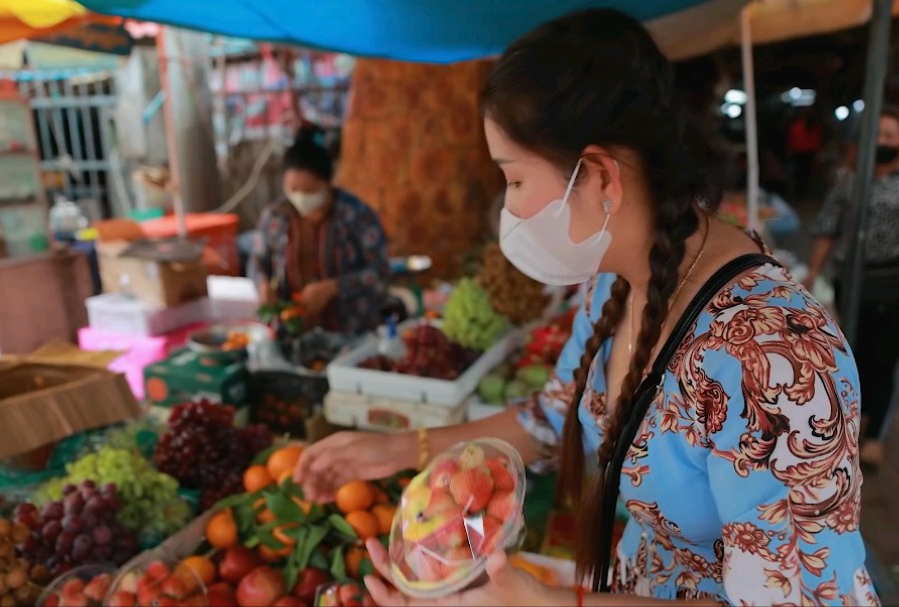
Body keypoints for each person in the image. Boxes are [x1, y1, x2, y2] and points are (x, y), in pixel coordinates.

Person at [295, 9, 877, 606]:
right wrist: (401, 449)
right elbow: (555, 420)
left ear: (600, 175)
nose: (509, 210)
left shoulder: (774, 359)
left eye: (515, 181)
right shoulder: (614, 282)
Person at [804, 107, 899, 468]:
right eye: (878, 135)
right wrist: (813, 270)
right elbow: (828, 226)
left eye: (890, 135)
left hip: (892, 282)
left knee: (885, 356)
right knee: (851, 352)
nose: (883, 142)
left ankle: (875, 437)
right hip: (853, 280)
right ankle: (851, 422)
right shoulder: (849, 181)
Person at [251, 126, 390, 336]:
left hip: (349, 333)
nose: (301, 198)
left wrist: (334, 287)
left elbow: (381, 270)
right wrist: (262, 284)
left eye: (310, 191)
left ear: (328, 183)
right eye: (293, 190)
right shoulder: (275, 217)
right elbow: (257, 262)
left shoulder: (356, 215)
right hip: (290, 331)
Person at [786, 107, 823, 202]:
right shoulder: (797, 126)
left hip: (808, 154)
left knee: (805, 175)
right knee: (799, 175)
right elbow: (792, 140)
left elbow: (816, 141)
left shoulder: (814, 127)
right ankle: (798, 194)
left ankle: (802, 194)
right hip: (799, 154)